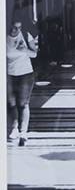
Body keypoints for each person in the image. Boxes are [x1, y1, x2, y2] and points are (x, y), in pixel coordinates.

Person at [5, 17, 36, 146]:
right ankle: (14, 128)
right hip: (9, 75)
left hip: (25, 74)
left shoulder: (26, 36)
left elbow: (34, 54)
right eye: (13, 27)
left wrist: (25, 50)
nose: (15, 30)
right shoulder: (4, 37)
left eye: (18, 28)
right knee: (11, 103)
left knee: (23, 104)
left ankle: (23, 132)